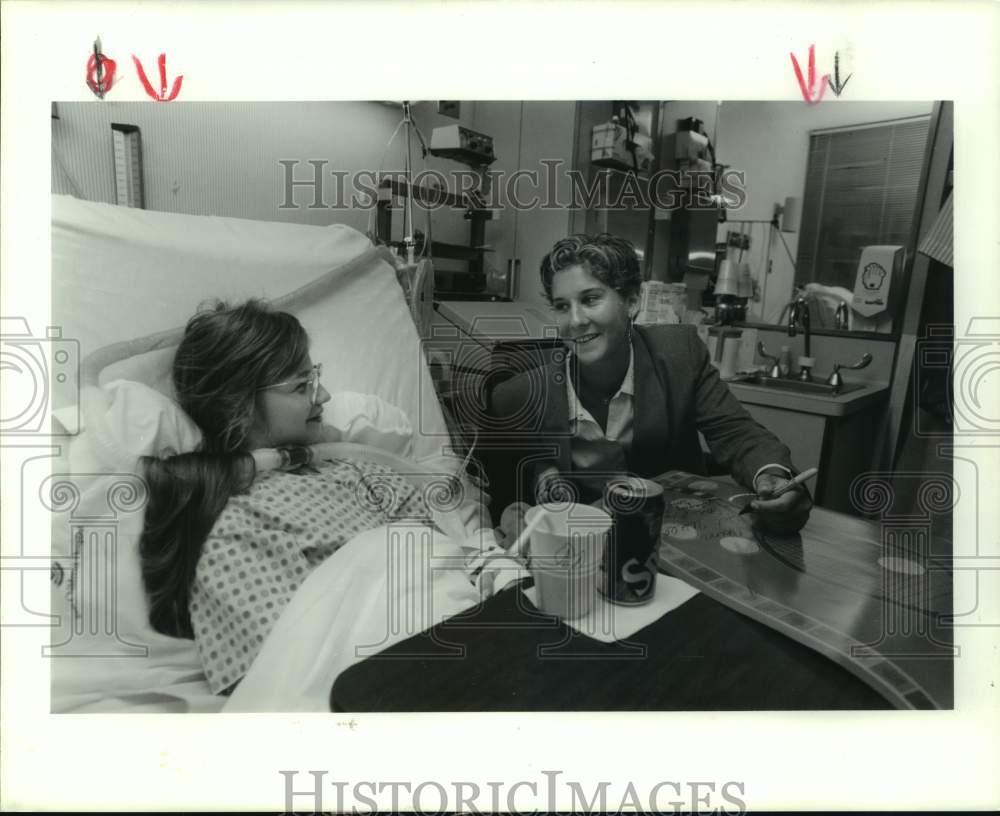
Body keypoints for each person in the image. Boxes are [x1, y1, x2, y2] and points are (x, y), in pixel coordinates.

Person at [139, 299, 518, 695]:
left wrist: (491, 567)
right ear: (237, 405)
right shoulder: (232, 522)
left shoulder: (360, 470)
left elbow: (440, 555)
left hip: (463, 641)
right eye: (302, 386)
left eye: (314, 379)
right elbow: (283, 674)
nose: (325, 397)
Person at [488, 234, 812, 533]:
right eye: (561, 306)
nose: (574, 321)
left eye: (590, 299)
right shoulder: (520, 395)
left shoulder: (678, 356)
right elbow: (509, 487)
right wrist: (541, 476)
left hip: (673, 537)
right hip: (582, 551)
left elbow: (737, 433)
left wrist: (773, 476)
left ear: (631, 302)